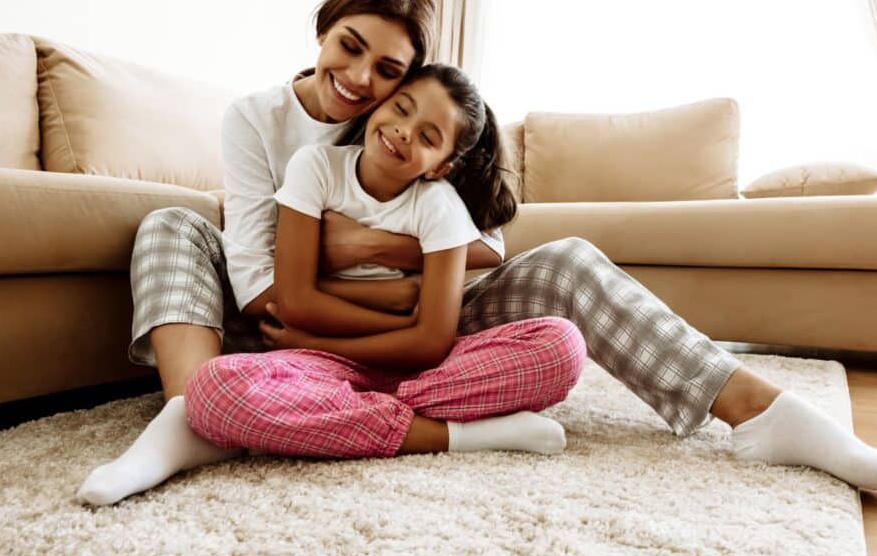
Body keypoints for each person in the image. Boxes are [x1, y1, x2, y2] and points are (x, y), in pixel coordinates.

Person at [77, 0, 877, 507]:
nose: (361, 81)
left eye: (390, 73)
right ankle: (199, 416)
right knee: (170, 224)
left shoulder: (400, 129)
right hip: (287, 329)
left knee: (569, 265)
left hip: (399, 325)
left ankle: (766, 413)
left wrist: (380, 259)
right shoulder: (257, 122)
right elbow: (268, 288)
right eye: (351, 48)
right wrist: (360, 273)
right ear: (325, 25)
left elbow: (483, 252)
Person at [180, 62, 585, 468]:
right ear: (380, 105)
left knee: (562, 345)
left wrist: (319, 341)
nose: (405, 131)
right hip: (327, 367)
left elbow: (432, 345)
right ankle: (457, 434)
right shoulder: (315, 167)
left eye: (428, 136)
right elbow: (296, 301)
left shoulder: (438, 204)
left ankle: (338, 415)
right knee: (212, 389)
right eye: (402, 108)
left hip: (413, 368)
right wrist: (405, 323)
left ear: (439, 167)